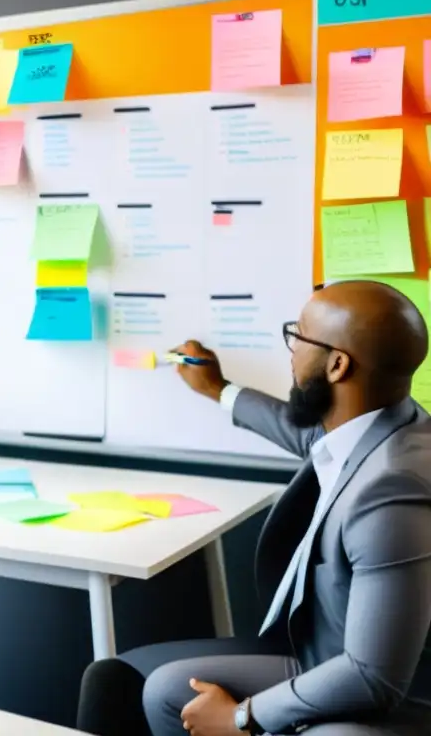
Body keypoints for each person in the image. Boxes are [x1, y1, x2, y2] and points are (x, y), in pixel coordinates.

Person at [77, 280, 431, 736]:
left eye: (298, 336)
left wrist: (241, 716)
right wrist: (217, 387)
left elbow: (373, 676)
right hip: (319, 653)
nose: (291, 350)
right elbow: (300, 432)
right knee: (166, 688)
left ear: (338, 365)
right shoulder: (383, 422)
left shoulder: (391, 491)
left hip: (383, 688)